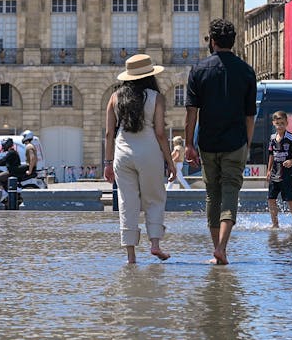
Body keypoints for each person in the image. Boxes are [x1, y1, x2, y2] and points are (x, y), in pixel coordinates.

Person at [184, 19, 257, 265]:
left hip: (207, 142)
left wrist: (188, 144)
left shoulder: (198, 70)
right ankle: (223, 249)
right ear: (233, 41)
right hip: (235, 142)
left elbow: (191, 113)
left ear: (212, 42)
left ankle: (216, 248)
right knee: (230, 193)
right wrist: (247, 143)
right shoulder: (246, 72)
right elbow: (250, 116)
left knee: (211, 195)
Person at [104, 53, 174, 263]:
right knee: (154, 198)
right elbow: (161, 133)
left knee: (127, 202)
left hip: (122, 153)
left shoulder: (115, 97)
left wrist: (107, 163)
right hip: (149, 152)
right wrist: (170, 162)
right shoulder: (155, 97)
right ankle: (155, 245)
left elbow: (109, 133)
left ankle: (131, 255)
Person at [265, 111, 292, 229]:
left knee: (290, 199)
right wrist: (268, 170)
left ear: (286, 123)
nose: (280, 126)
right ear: (273, 124)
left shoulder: (291, 138)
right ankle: (275, 224)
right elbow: (271, 154)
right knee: (271, 199)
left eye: (282, 123)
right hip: (274, 172)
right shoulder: (272, 138)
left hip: (286, 173)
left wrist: (291, 161)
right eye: (277, 123)